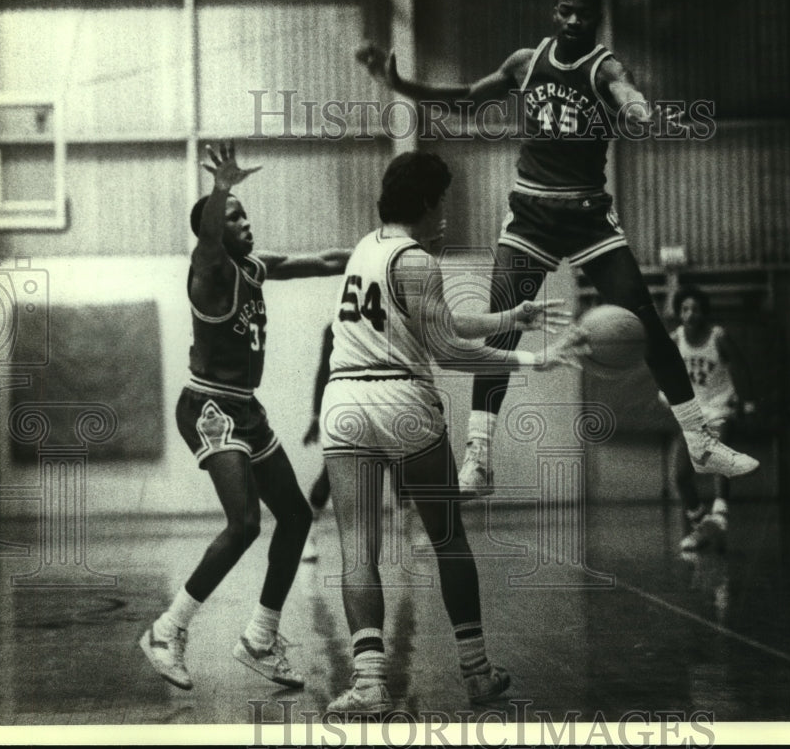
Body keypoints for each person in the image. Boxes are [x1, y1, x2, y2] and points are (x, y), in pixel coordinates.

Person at [357, 0, 759, 499]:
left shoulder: (604, 68)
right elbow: (466, 98)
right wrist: (404, 86)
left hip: (588, 214)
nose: (574, 21)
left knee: (648, 323)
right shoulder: (527, 62)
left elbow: (627, 91)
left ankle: (699, 440)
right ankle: (479, 455)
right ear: (555, 13)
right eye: (567, 11)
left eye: (584, 15)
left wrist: (638, 108)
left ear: (596, 20)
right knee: (500, 326)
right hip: (532, 214)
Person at [321, 151, 585, 714]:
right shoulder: (418, 261)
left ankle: (368, 683)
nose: (445, 213)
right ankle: (476, 671)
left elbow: (434, 317)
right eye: (442, 200)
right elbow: (446, 346)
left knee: (357, 552)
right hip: (402, 401)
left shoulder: (366, 248)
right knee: (448, 538)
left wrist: (508, 319)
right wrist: (534, 359)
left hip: (343, 401)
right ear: (423, 202)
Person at [140, 142, 350, 691]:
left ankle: (259, 637)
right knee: (245, 524)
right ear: (215, 228)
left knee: (297, 516)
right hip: (208, 406)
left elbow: (325, 261)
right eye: (235, 217)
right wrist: (221, 190)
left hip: (245, 409)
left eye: (244, 212)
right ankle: (168, 630)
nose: (245, 220)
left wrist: (380, 247)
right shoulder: (208, 270)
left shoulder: (254, 268)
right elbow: (209, 234)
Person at [661, 286, 756, 552]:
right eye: (685, 309)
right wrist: (664, 391)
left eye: (695, 309)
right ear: (680, 313)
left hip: (719, 406)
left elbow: (740, 365)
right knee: (681, 476)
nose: (690, 314)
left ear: (704, 313)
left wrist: (747, 400)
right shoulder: (676, 339)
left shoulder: (718, 337)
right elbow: (665, 368)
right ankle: (701, 526)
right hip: (692, 412)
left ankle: (721, 512)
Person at [300, 323, 333, 562]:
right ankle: (308, 535)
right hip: (348, 405)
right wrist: (315, 417)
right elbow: (323, 372)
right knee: (330, 473)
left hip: (381, 402)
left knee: (402, 470)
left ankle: (413, 535)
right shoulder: (336, 327)